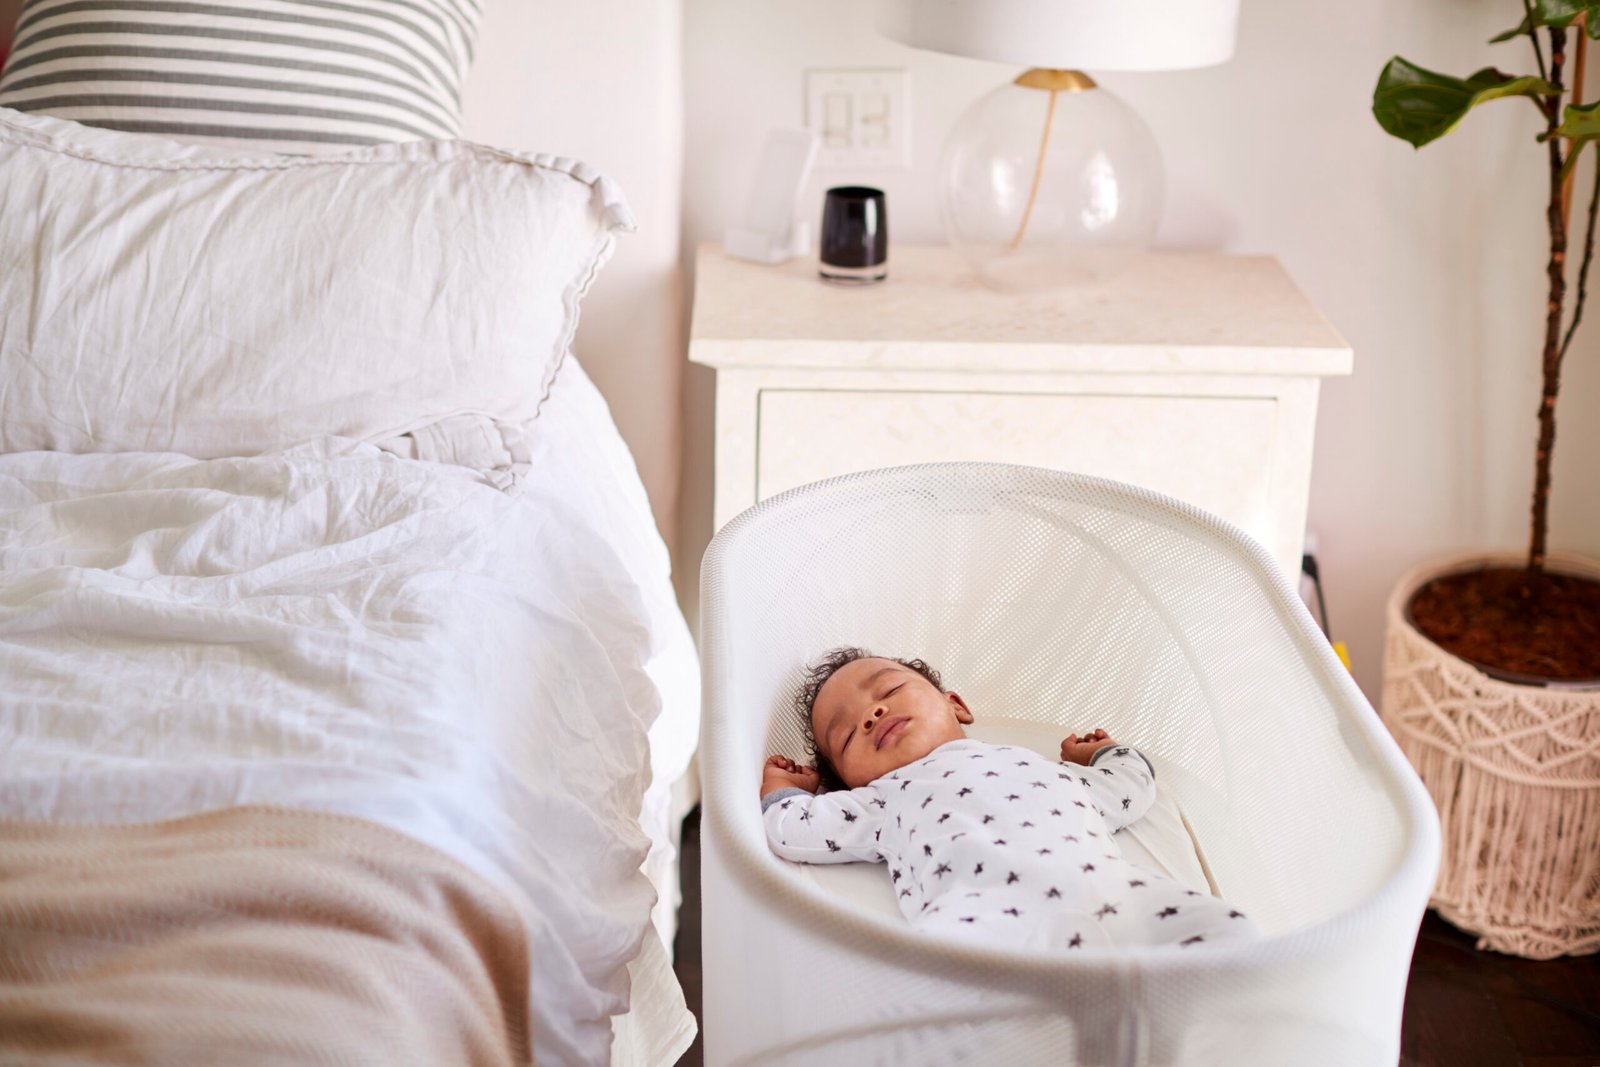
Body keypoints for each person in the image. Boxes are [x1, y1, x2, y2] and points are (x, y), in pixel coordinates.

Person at [761, 648, 1261, 950]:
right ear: (849, 782)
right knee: (937, 987)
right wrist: (785, 792)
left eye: (888, 689)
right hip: (981, 917)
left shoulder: (1041, 767)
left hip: (1108, 895)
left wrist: (1103, 753)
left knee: (1227, 930)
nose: (871, 714)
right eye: (846, 735)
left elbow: (1130, 787)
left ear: (955, 704)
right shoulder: (880, 800)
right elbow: (794, 831)